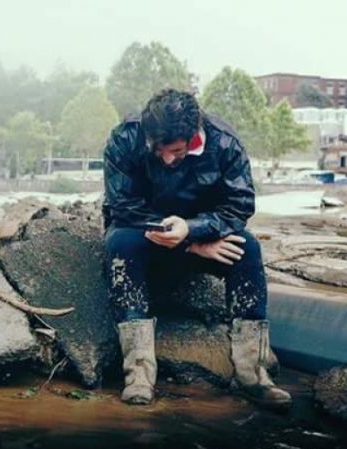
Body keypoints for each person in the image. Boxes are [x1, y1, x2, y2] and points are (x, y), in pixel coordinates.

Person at [102, 89, 291, 408]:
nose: (165, 158)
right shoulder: (125, 137)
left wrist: (192, 230)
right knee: (119, 243)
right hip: (144, 234)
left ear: (194, 136)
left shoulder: (226, 143)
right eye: (157, 149)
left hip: (202, 231)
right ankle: (139, 374)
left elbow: (240, 206)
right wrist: (189, 245)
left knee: (247, 248)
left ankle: (253, 374)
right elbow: (122, 207)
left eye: (175, 150)